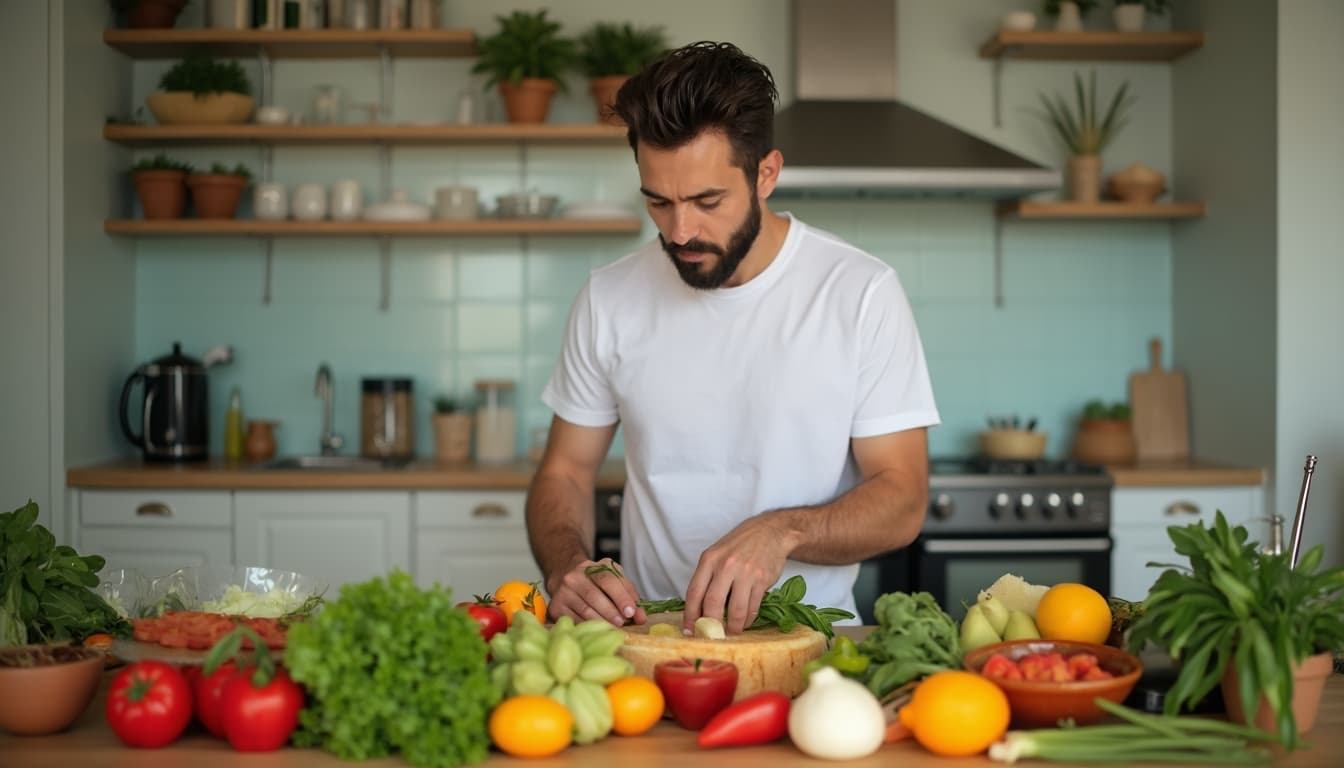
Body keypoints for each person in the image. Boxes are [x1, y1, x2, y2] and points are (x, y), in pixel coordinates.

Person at [525, 41, 939, 635]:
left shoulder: (860, 292)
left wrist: (782, 530)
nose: (681, 230)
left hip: (811, 641)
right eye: (659, 203)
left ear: (765, 173)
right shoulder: (609, 296)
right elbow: (565, 470)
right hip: (652, 639)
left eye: (706, 201)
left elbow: (903, 498)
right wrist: (568, 566)